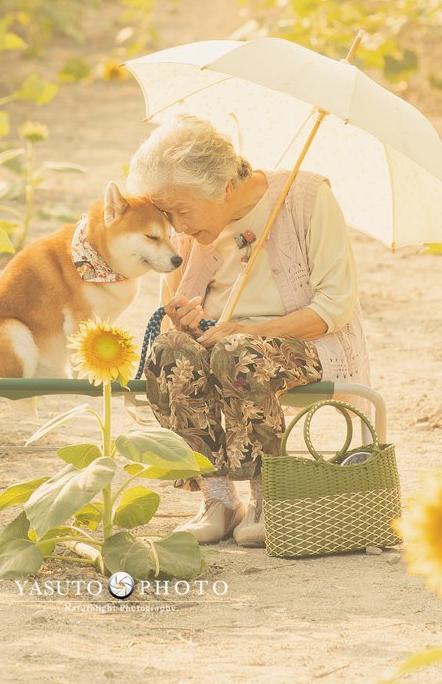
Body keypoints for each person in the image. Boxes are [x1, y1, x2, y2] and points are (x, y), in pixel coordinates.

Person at [126, 114, 370, 547]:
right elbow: (177, 306)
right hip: (222, 341)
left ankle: (265, 499)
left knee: (238, 353)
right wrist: (184, 318)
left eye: (182, 211)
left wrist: (249, 331)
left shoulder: (307, 196)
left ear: (223, 187)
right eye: (168, 213)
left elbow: (335, 307)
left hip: (305, 341)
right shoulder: (192, 230)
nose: (177, 228)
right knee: (168, 351)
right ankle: (218, 500)